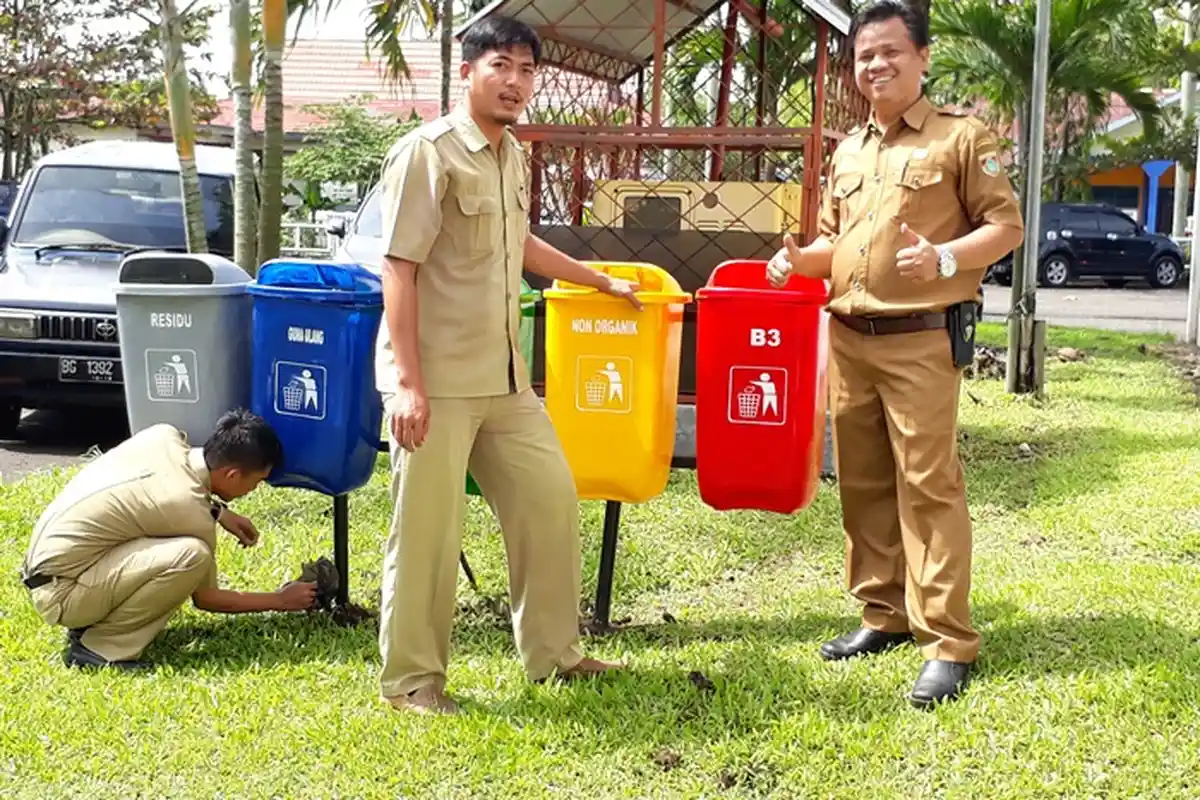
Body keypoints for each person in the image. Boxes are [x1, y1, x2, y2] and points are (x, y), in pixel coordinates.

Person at [374, 14, 641, 715]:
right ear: (468, 72)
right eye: (501, 66)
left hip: (505, 377)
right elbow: (398, 270)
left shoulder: (512, 152)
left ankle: (555, 655)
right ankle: (412, 683)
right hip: (435, 378)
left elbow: (519, 243)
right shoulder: (428, 154)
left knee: (549, 501)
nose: (515, 82)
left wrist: (599, 281)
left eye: (526, 69)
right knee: (429, 535)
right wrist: (406, 384)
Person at [767, 1, 1024, 708]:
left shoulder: (962, 138)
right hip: (849, 339)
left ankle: (946, 641)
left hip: (920, 340)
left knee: (929, 487)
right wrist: (799, 262)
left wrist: (943, 256)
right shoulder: (850, 150)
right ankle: (883, 614)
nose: (874, 66)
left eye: (889, 52)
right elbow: (833, 244)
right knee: (864, 483)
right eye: (863, 56)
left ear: (922, 58)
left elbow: (1006, 227)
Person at [19, 410, 318, 670]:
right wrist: (279, 600)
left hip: (52, 569)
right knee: (192, 555)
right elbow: (208, 600)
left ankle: (95, 623)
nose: (252, 491)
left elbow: (163, 493)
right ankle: (100, 649)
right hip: (62, 595)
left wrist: (219, 511)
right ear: (232, 474)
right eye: (255, 483)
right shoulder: (189, 511)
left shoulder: (163, 436)